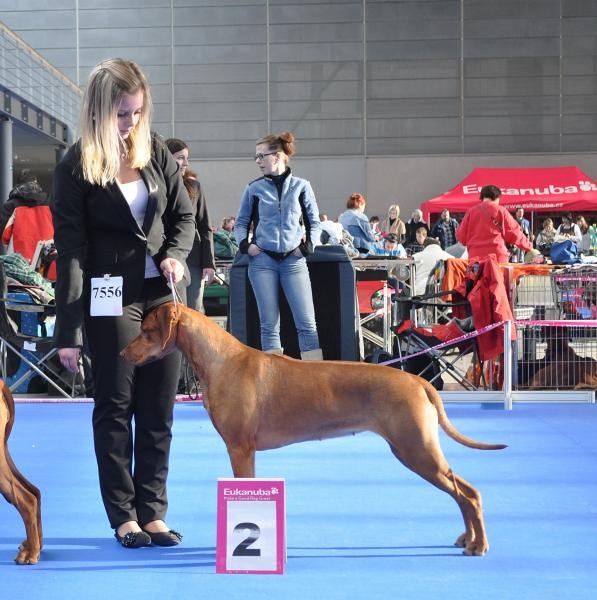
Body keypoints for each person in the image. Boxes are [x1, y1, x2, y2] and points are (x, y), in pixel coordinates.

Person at [51, 58, 195, 549]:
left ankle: (153, 512)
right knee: (115, 404)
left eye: (135, 112)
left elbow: (184, 217)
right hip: (108, 293)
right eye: (120, 114)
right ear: (97, 111)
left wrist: (175, 256)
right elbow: (70, 251)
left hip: (161, 295)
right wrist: (67, 331)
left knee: (159, 404)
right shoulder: (74, 166)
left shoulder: (155, 152)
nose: (130, 123)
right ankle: (123, 516)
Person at [234, 131, 323, 360]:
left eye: (261, 156)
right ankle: (273, 384)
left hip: (294, 261)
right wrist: (246, 245)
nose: (258, 161)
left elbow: (314, 222)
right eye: (256, 157)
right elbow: (241, 222)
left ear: (278, 156)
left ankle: (315, 380)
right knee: (269, 325)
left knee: (307, 323)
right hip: (262, 262)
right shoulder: (253, 189)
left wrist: (307, 246)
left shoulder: (302, 187)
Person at [165, 138, 216, 312]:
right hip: (166, 259)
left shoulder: (195, 187)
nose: (185, 163)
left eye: (186, 158)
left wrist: (209, 263)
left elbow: (204, 226)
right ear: (166, 157)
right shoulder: (156, 187)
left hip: (193, 259)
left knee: (194, 311)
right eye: (180, 158)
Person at [456, 185, 532, 264]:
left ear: (482, 197)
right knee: (498, 276)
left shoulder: (471, 212)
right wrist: (529, 247)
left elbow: (461, 237)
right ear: (497, 197)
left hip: (475, 259)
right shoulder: (501, 211)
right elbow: (514, 233)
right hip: (497, 257)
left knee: (476, 276)